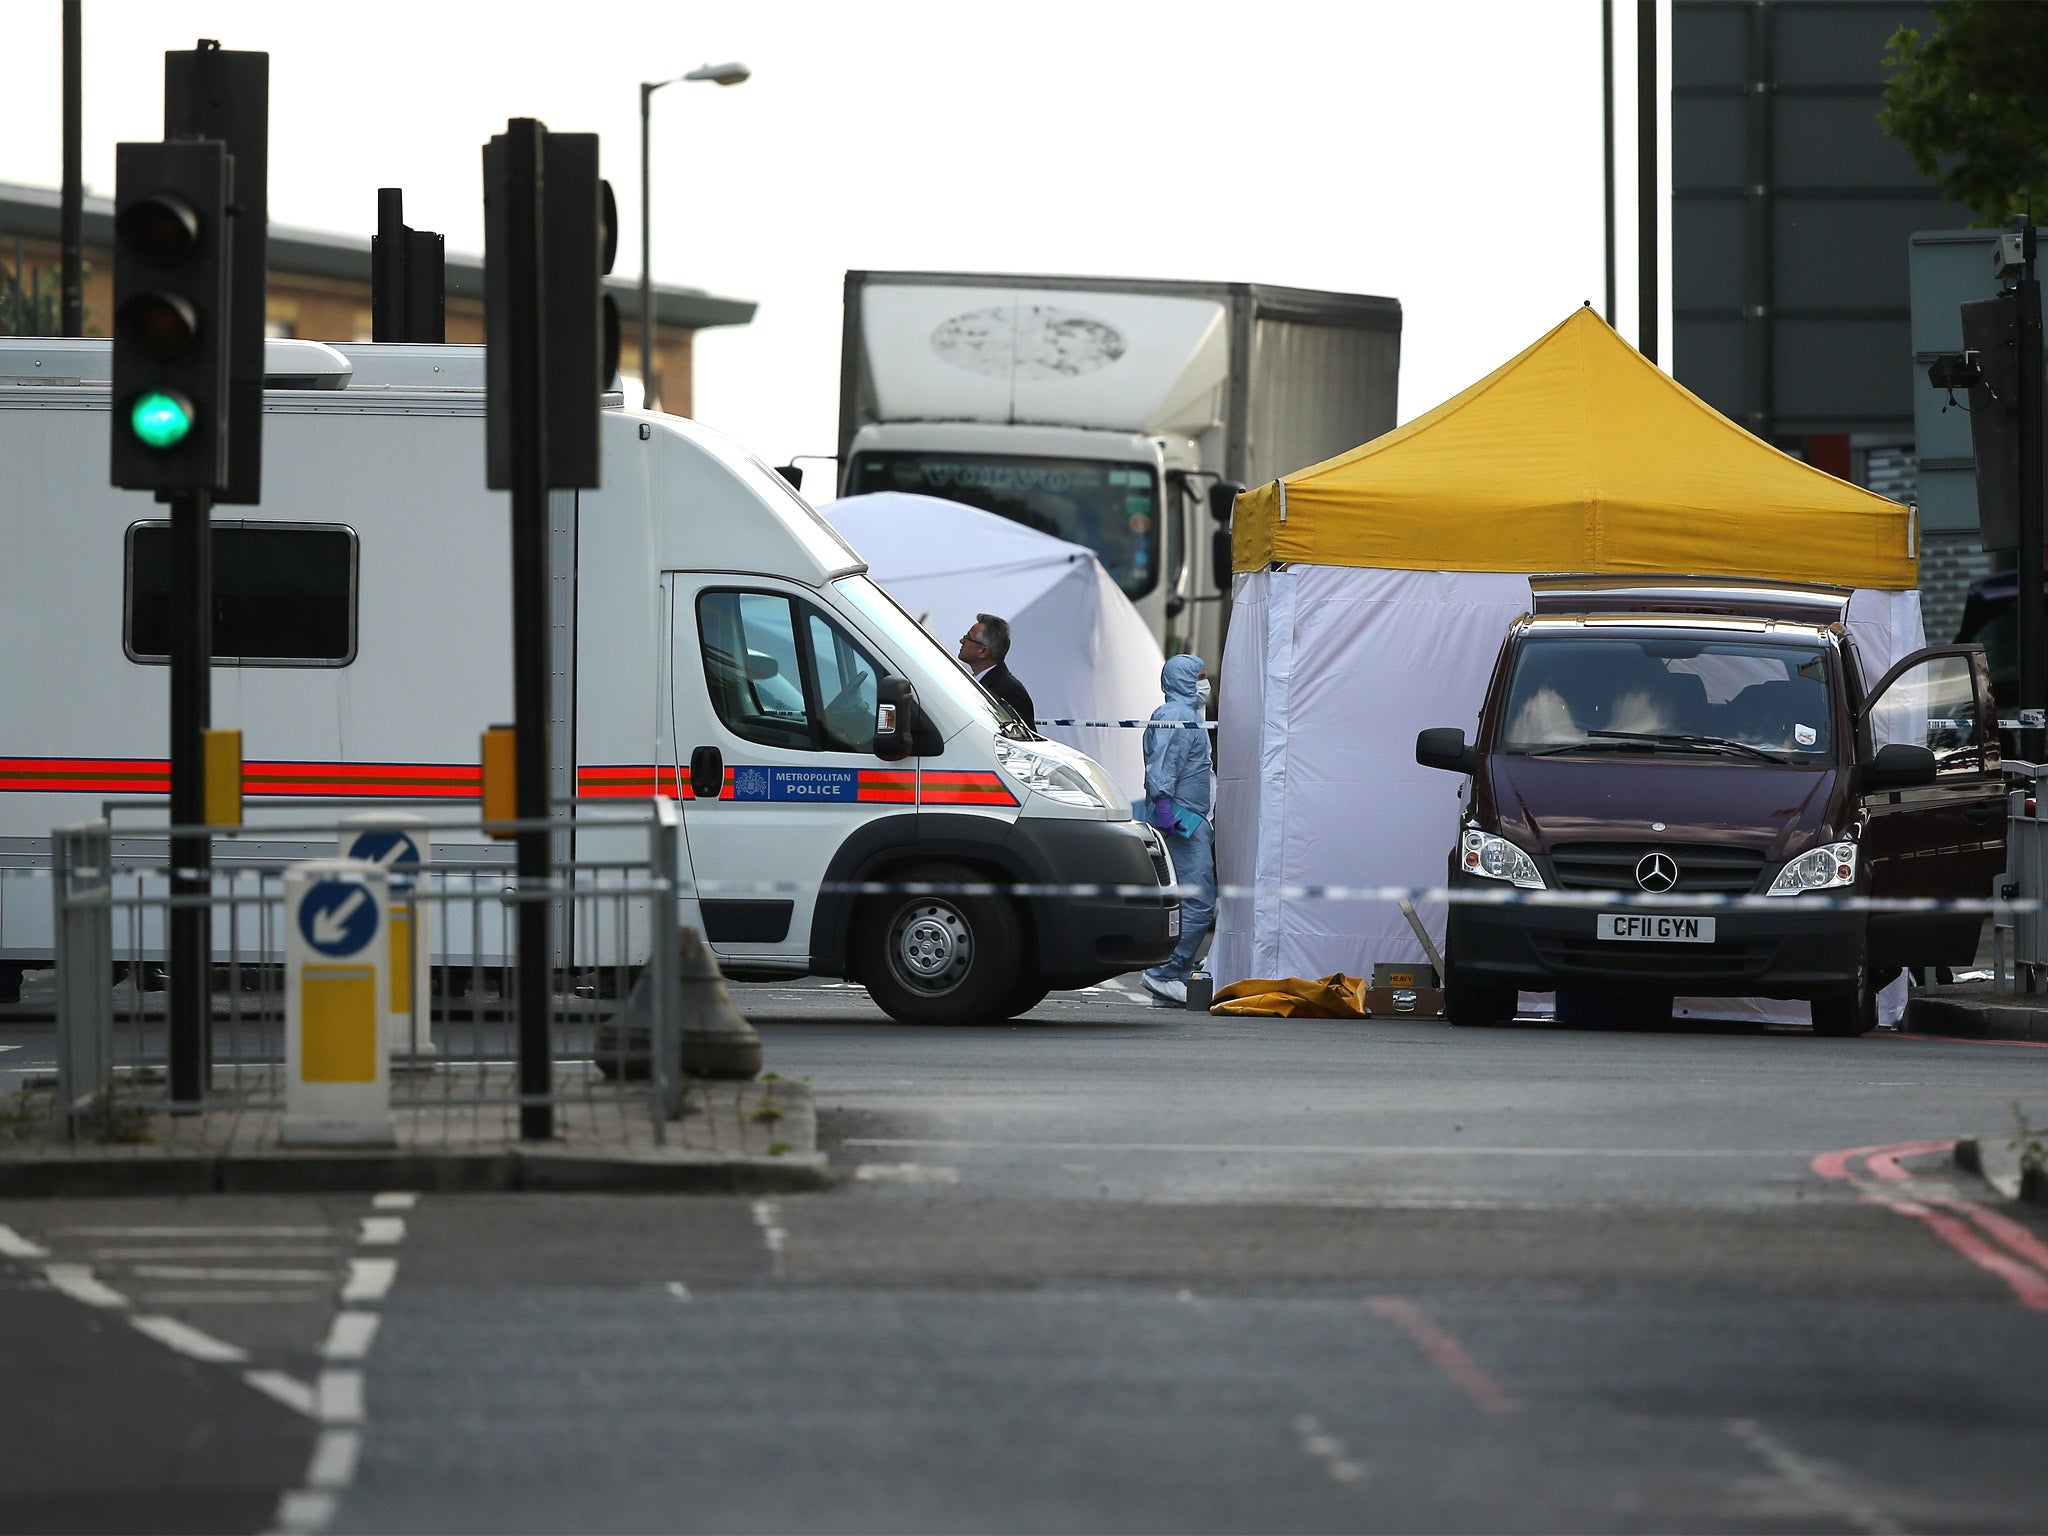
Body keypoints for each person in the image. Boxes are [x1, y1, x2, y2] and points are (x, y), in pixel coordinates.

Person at [1140, 653, 1214, 1004]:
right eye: (1200, 676)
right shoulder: (1177, 716)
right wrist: (1165, 805)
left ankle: (1171, 981)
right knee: (1199, 902)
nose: (1205, 683)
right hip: (1183, 820)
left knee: (1184, 901)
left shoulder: (1184, 714)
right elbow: (1163, 764)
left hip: (1187, 816)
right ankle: (1165, 973)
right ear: (1184, 679)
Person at [958, 613, 1035, 726]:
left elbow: (1024, 739)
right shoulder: (973, 682)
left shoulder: (1010, 690)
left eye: (967, 637)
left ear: (983, 651)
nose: (961, 641)